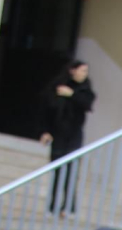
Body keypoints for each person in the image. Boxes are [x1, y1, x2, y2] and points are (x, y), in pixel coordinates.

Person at [40, 60, 95, 214]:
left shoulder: (85, 90)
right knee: (57, 168)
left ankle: (68, 205)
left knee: (71, 169)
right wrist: (45, 131)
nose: (84, 74)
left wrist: (71, 95)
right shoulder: (57, 86)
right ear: (73, 71)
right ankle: (53, 204)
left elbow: (87, 104)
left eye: (85, 71)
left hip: (74, 134)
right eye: (82, 70)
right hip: (58, 133)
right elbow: (47, 110)